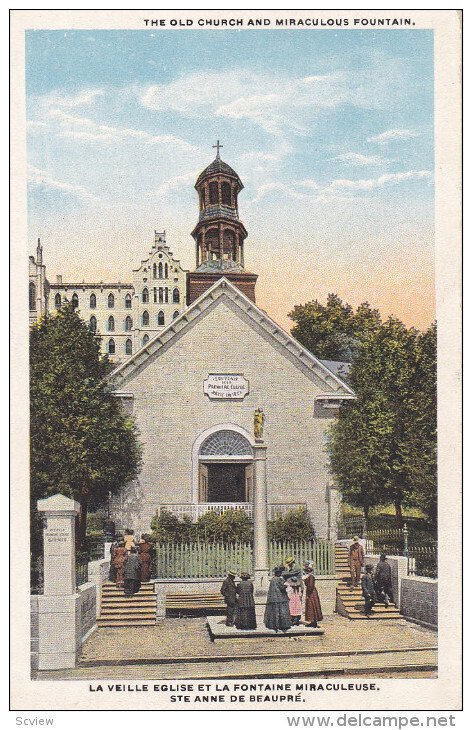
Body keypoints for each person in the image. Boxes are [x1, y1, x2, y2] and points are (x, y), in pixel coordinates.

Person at [264, 566, 292, 632]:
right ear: (279, 573)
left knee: (274, 613)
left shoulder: (273, 579)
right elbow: (282, 587)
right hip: (281, 598)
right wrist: (286, 585)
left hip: (273, 598)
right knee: (282, 612)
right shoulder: (279, 579)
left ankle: (274, 625)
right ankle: (282, 625)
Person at [303, 562, 323, 627]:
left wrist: (308, 595)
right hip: (311, 592)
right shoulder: (309, 576)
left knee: (312, 606)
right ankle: (312, 621)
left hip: (311, 593)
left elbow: (310, 586)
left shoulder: (310, 577)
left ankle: (314, 621)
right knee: (311, 607)